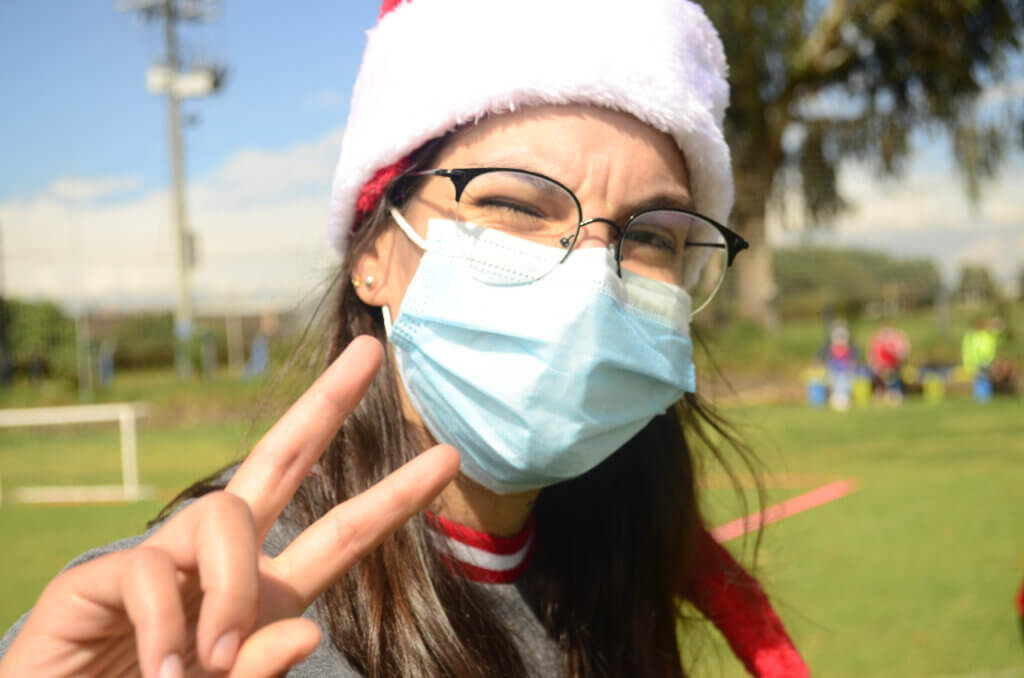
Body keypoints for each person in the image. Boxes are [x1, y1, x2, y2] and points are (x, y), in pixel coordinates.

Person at [0, 1, 809, 676]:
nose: (594, 280)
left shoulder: (613, 565)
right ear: (374, 256)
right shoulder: (213, 604)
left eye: (653, 236)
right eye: (518, 208)